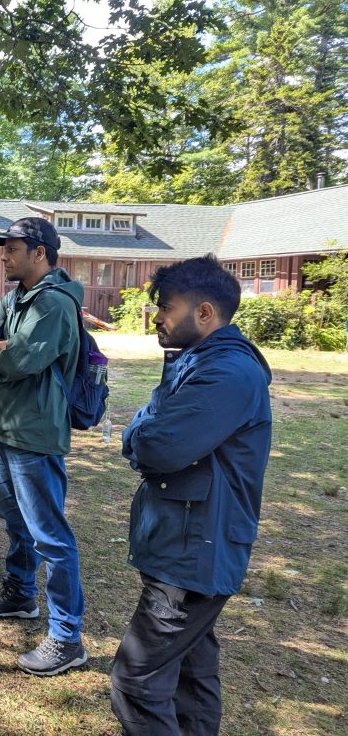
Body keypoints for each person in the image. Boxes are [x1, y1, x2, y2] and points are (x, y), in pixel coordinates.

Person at [112, 255, 272, 735]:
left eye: (166, 307)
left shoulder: (228, 373)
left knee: (136, 680)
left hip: (194, 551)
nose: (157, 317)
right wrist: (144, 432)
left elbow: (157, 445)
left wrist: (139, 436)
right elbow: (151, 425)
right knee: (191, 670)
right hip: (185, 541)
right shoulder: (197, 361)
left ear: (205, 312)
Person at [0, 217, 88, 676]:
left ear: (39, 253)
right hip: (3, 429)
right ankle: (20, 594)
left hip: (35, 436)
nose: (4, 257)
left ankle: (67, 637)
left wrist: (2, 349)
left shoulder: (54, 303)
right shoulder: (13, 298)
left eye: (12, 249)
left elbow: (17, 361)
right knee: (15, 520)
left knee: (50, 536)